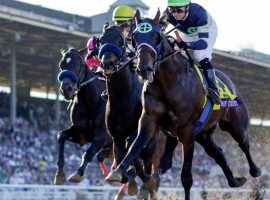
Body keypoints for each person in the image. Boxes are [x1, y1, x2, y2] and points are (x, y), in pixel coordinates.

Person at [162, 0, 220, 104]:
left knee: (199, 56)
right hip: (186, 31)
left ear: (187, 8)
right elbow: (158, 29)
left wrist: (187, 45)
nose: (175, 14)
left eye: (179, 10)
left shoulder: (199, 14)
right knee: (178, 53)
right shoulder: (167, 13)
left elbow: (203, 43)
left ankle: (213, 88)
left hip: (206, 31)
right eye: (172, 10)